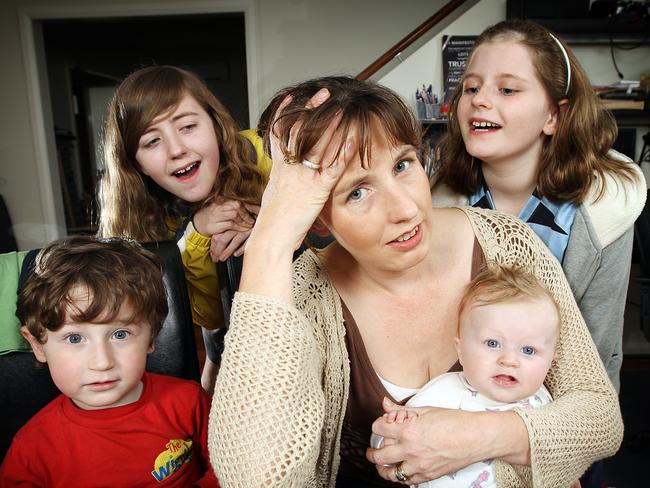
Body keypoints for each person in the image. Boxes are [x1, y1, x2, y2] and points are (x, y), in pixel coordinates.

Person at [208, 75, 623, 487]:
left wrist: (475, 439)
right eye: (357, 192)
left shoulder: (508, 244)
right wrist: (272, 237)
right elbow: (256, 479)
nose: (405, 208)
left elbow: (601, 418)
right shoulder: (302, 296)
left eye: (403, 165)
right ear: (316, 216)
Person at [432, 20, 647, 394]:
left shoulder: (605, 209)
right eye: (471, 87)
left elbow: (599, 353)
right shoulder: (437, 205)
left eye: (508, 89)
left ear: (554, 116)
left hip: (558, 410)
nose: (480, 99)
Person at [97, 65, 271, 392]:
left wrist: (268, 222)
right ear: (137, 165)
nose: (177, 149)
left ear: (217, 127)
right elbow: (208, 317)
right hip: (225, 330)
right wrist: (195, 235)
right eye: (151, 141)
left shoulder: (265, 153)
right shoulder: (148, 220)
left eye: (188, 126)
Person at [0, 236, 218, 487]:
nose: (102, 363)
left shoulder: (190, 402)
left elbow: (230, 469)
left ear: (151, 337)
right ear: (38, 344)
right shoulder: (30, 451)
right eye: (74, 338)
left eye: (120, 334)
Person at [373, 264, 560, 487]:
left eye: (528, 350)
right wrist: (393, 429)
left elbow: (558, 454)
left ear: (551, 360)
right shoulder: (444, 393)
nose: (509, 360)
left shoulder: (546, 403)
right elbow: (393, 444)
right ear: (460, 350)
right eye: (492, 343)